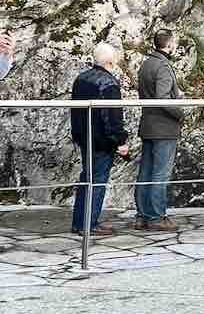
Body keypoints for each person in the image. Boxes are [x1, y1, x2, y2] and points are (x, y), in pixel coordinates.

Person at [70, 43, 130, 236]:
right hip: (101, 141)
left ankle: (79, 221)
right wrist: (120, 141)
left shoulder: (82, 78)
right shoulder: (109, 84)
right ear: (111, 61)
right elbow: (112, 118)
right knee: (97, 182)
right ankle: (89, 223)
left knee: (86, 180)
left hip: (84, 138)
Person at [134, 29, 183, 231]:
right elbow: (163, 97)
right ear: (169, 44)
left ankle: (142, 215)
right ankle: (156, 217)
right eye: (174, 43)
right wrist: (180, 111)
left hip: (148, 125)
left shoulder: (146, 64)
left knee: (145, 172)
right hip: (164, 127)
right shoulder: (163, 66)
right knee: (160, 173)